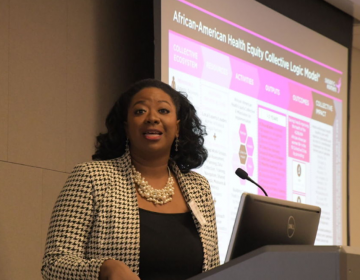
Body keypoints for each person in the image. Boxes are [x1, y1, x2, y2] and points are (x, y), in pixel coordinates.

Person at [41, 79, 220, 280]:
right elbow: (54, 264)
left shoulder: (198, 188)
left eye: (163, 111)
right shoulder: (92, 178)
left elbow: (214, 270)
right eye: (140, 111)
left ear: (177, 127)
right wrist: (104, 269)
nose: (152, 118)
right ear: (126, 128)